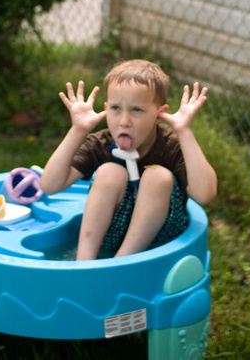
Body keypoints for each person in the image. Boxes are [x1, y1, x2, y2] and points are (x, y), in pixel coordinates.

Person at [40, 59, 217, 261]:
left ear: (160, 115)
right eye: (116, 108)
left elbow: (205, 194)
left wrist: (184, 132)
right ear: (106, 108)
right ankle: (84, 263)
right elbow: (49, 185)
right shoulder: (101, 143)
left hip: (160, 238)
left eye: (137, 110)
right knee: (109, 172)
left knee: (157, 175)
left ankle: (122, 262)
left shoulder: (170, 145)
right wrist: (77, 131)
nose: (124, 121)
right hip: (112, 233)